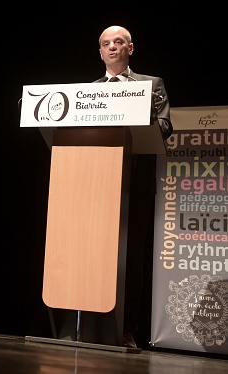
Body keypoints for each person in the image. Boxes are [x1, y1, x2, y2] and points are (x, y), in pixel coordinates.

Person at [96, 25, 173, 348]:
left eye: (118, 42)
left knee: (131, 260)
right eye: (105, 44)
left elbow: (165, 126)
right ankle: (89, 322)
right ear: (100, 52)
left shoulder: (150, 84)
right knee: (97, 253)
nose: (112, 47)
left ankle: (126, 328)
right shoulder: (89, 91)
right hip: (97, 182)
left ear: (130, 48)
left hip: (136, 184)